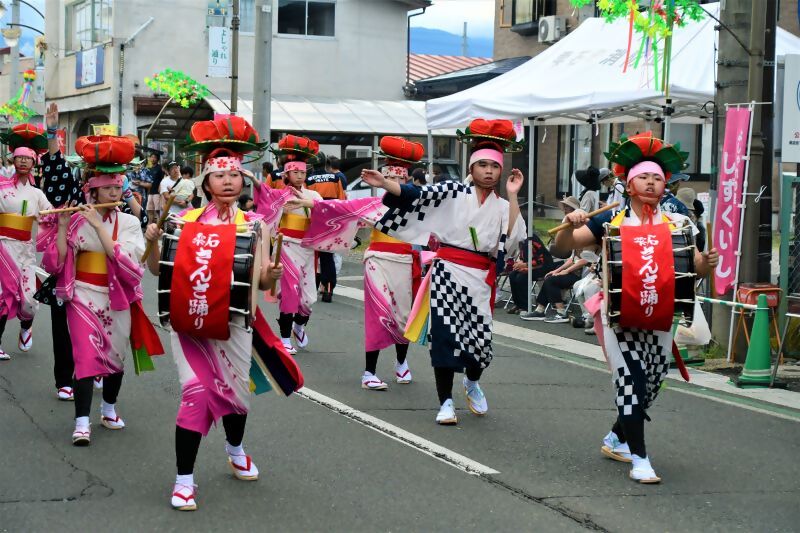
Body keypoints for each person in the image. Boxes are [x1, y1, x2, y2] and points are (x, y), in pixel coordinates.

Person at [554, 132, 719, 484]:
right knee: (632, 379)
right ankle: (640, 458)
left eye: (656, 178)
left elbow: (696, 266)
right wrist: (569, 225)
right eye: (643, 177)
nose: (650, 182)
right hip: (619, 314)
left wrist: (707, 263)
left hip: (660, 314)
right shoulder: (611, 221)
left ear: (665, 186)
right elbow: (561, 247)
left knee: (652, 384)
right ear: (629, 185)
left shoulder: (678, 223)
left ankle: (617, 436)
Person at [143, 116, 286, 512]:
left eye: (234, 175)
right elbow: (157, 271)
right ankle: (184, 479)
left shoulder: (254, 225)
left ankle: (235, 448)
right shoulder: (182, 222)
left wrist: (271, 274)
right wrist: (152, 242)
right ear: (206, 183)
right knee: (195, 394)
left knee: (236, 395)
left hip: (234, 324)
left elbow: (259, 280)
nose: (227, 182)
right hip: (190, 324)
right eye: (219, 175)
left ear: (243, 181)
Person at [362, 119, 526, 425]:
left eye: (494, 166)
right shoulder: (453, 191)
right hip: (447, 272)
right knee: (445, 338)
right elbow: (417, 195)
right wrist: (386, 184)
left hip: (480, 278)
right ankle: (446, 402)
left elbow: (514, 240)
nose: (489, 171)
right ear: (472, 167)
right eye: (483, 165)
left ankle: (472, 381)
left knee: (480, 346)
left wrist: (514, 195)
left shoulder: (503, 206)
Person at [41, 134, 157, 447]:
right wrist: (62, 227)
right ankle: (81, 422)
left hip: (116, 297)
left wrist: (98, 227)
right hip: (82, 295)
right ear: (92, 190)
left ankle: (108, 407)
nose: (114, 193)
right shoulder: (76, 220)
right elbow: (56, 263)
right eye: (107, 188)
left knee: (116, 356)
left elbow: (131, 266)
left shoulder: (129, 222)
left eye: (118, 187)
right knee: (85, 356)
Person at [289, 136, 425, 391]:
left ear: (407, 180)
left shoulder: (418, 207)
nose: (394, 183)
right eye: (389, 178)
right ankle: (369, 372)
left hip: (405, 262)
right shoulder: (375, 204)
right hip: (377, 260)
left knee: (403, 317)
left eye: (399, 179)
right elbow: (341, 208)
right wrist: (308, 202)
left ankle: (401, 362)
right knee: (378, 314)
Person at [253, 135, 323, 354]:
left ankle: (299, 326)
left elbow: (325, 214)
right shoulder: (279, 195)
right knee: (289, 293)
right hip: (286, 247)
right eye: (295, 172)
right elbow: (264, 200)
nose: (300, 176)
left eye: (303, 172)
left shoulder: (313, 194)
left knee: (308, 299)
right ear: (286, 174)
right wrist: (255, 182)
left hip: (307, 248)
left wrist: (307, 204)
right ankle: (284, 338)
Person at [0, 123, 53, 360]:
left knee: (30, 298)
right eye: (19, 157)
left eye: (27, 158)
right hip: (3, 247)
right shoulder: (1, 186)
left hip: (25, 249)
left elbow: (49, 215)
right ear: (13, 159)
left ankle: (25, 326)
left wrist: (55, 216)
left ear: (34, 163)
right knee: (2, 296)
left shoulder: (36, 194)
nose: (23, 161)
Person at [306, 152, 347, 302]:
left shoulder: (308, 180)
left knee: (312, 256)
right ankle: (328, 290)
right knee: (327, 256)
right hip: (331, 221)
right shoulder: (336, 178)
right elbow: (342, 201)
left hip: (314, 221)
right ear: (326, 164)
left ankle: (313, 287)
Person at [145, 151, 164, 221]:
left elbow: (163, 180)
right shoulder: (149, 168)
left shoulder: (160, 168)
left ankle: (158, 225)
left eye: (155, 157)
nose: (153, 159)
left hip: (157, 193)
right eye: (151, 157)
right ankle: (150, 223)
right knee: (149, 209)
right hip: (150, 192)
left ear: (157, 159)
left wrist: (161, 192)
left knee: (157, 210)